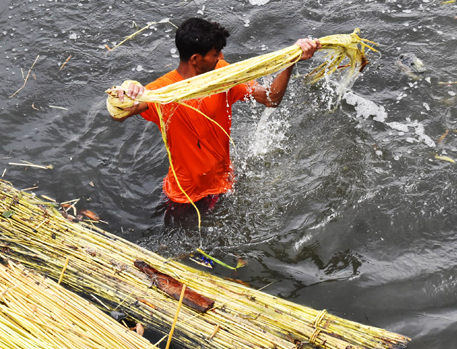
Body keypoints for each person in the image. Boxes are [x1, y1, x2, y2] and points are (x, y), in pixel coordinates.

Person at [112, 17, 319, 215]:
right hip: (186, 196)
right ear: (195, 59)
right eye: (215, 53)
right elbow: (119, 114)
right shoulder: (161, 92)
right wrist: (125, 93)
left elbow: (270, 99)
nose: (220, 57)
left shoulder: (222, 75)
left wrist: (291, 60)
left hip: (225, 182)